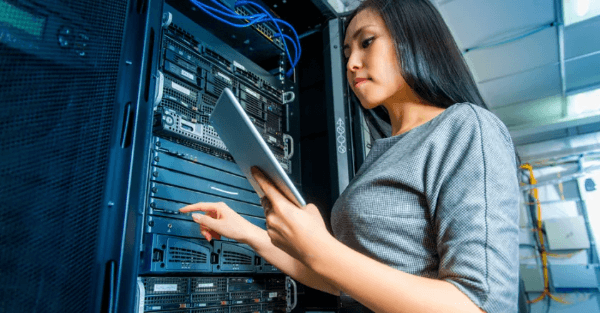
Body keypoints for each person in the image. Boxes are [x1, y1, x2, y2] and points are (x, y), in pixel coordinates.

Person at [180, 0, 520, 312]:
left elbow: (479, 305)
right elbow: (347, 282)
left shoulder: (465, 127)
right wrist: (249, 233)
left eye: (366, 42)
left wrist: (320, 248)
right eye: (346, 53)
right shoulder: (383, 151)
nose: (352, 63)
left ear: (415, 40)